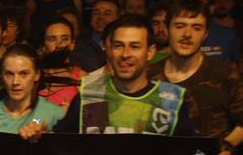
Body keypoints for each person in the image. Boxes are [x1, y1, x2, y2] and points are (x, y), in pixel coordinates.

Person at [149, 0, 243, 155]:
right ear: (167, 29)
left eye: (196, 27)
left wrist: (225, 147)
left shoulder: (224, 76)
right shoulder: (150, 75)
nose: (187, 34)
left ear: (206, 34)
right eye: (180, 26)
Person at [43, 16, 194, 136]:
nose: (125, 54)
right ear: (108, 49)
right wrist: (36, 130)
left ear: (150, 52)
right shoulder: (88, 94)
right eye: (118, 46)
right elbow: (58, 143)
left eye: (134, 46)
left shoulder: (171, 101)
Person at [0, 44, 66, 136]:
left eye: (23, 74)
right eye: (9, 74)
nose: (15, 82)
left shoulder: (53, 113)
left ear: (37, 75)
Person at [38, 15, 84, 111]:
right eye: (52, 39)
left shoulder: (83, 78)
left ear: (72, 44)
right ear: (43, 45)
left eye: (65, 39)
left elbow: (94, 120)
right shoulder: (33, 75)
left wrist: (71, 115)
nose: (59, 45)